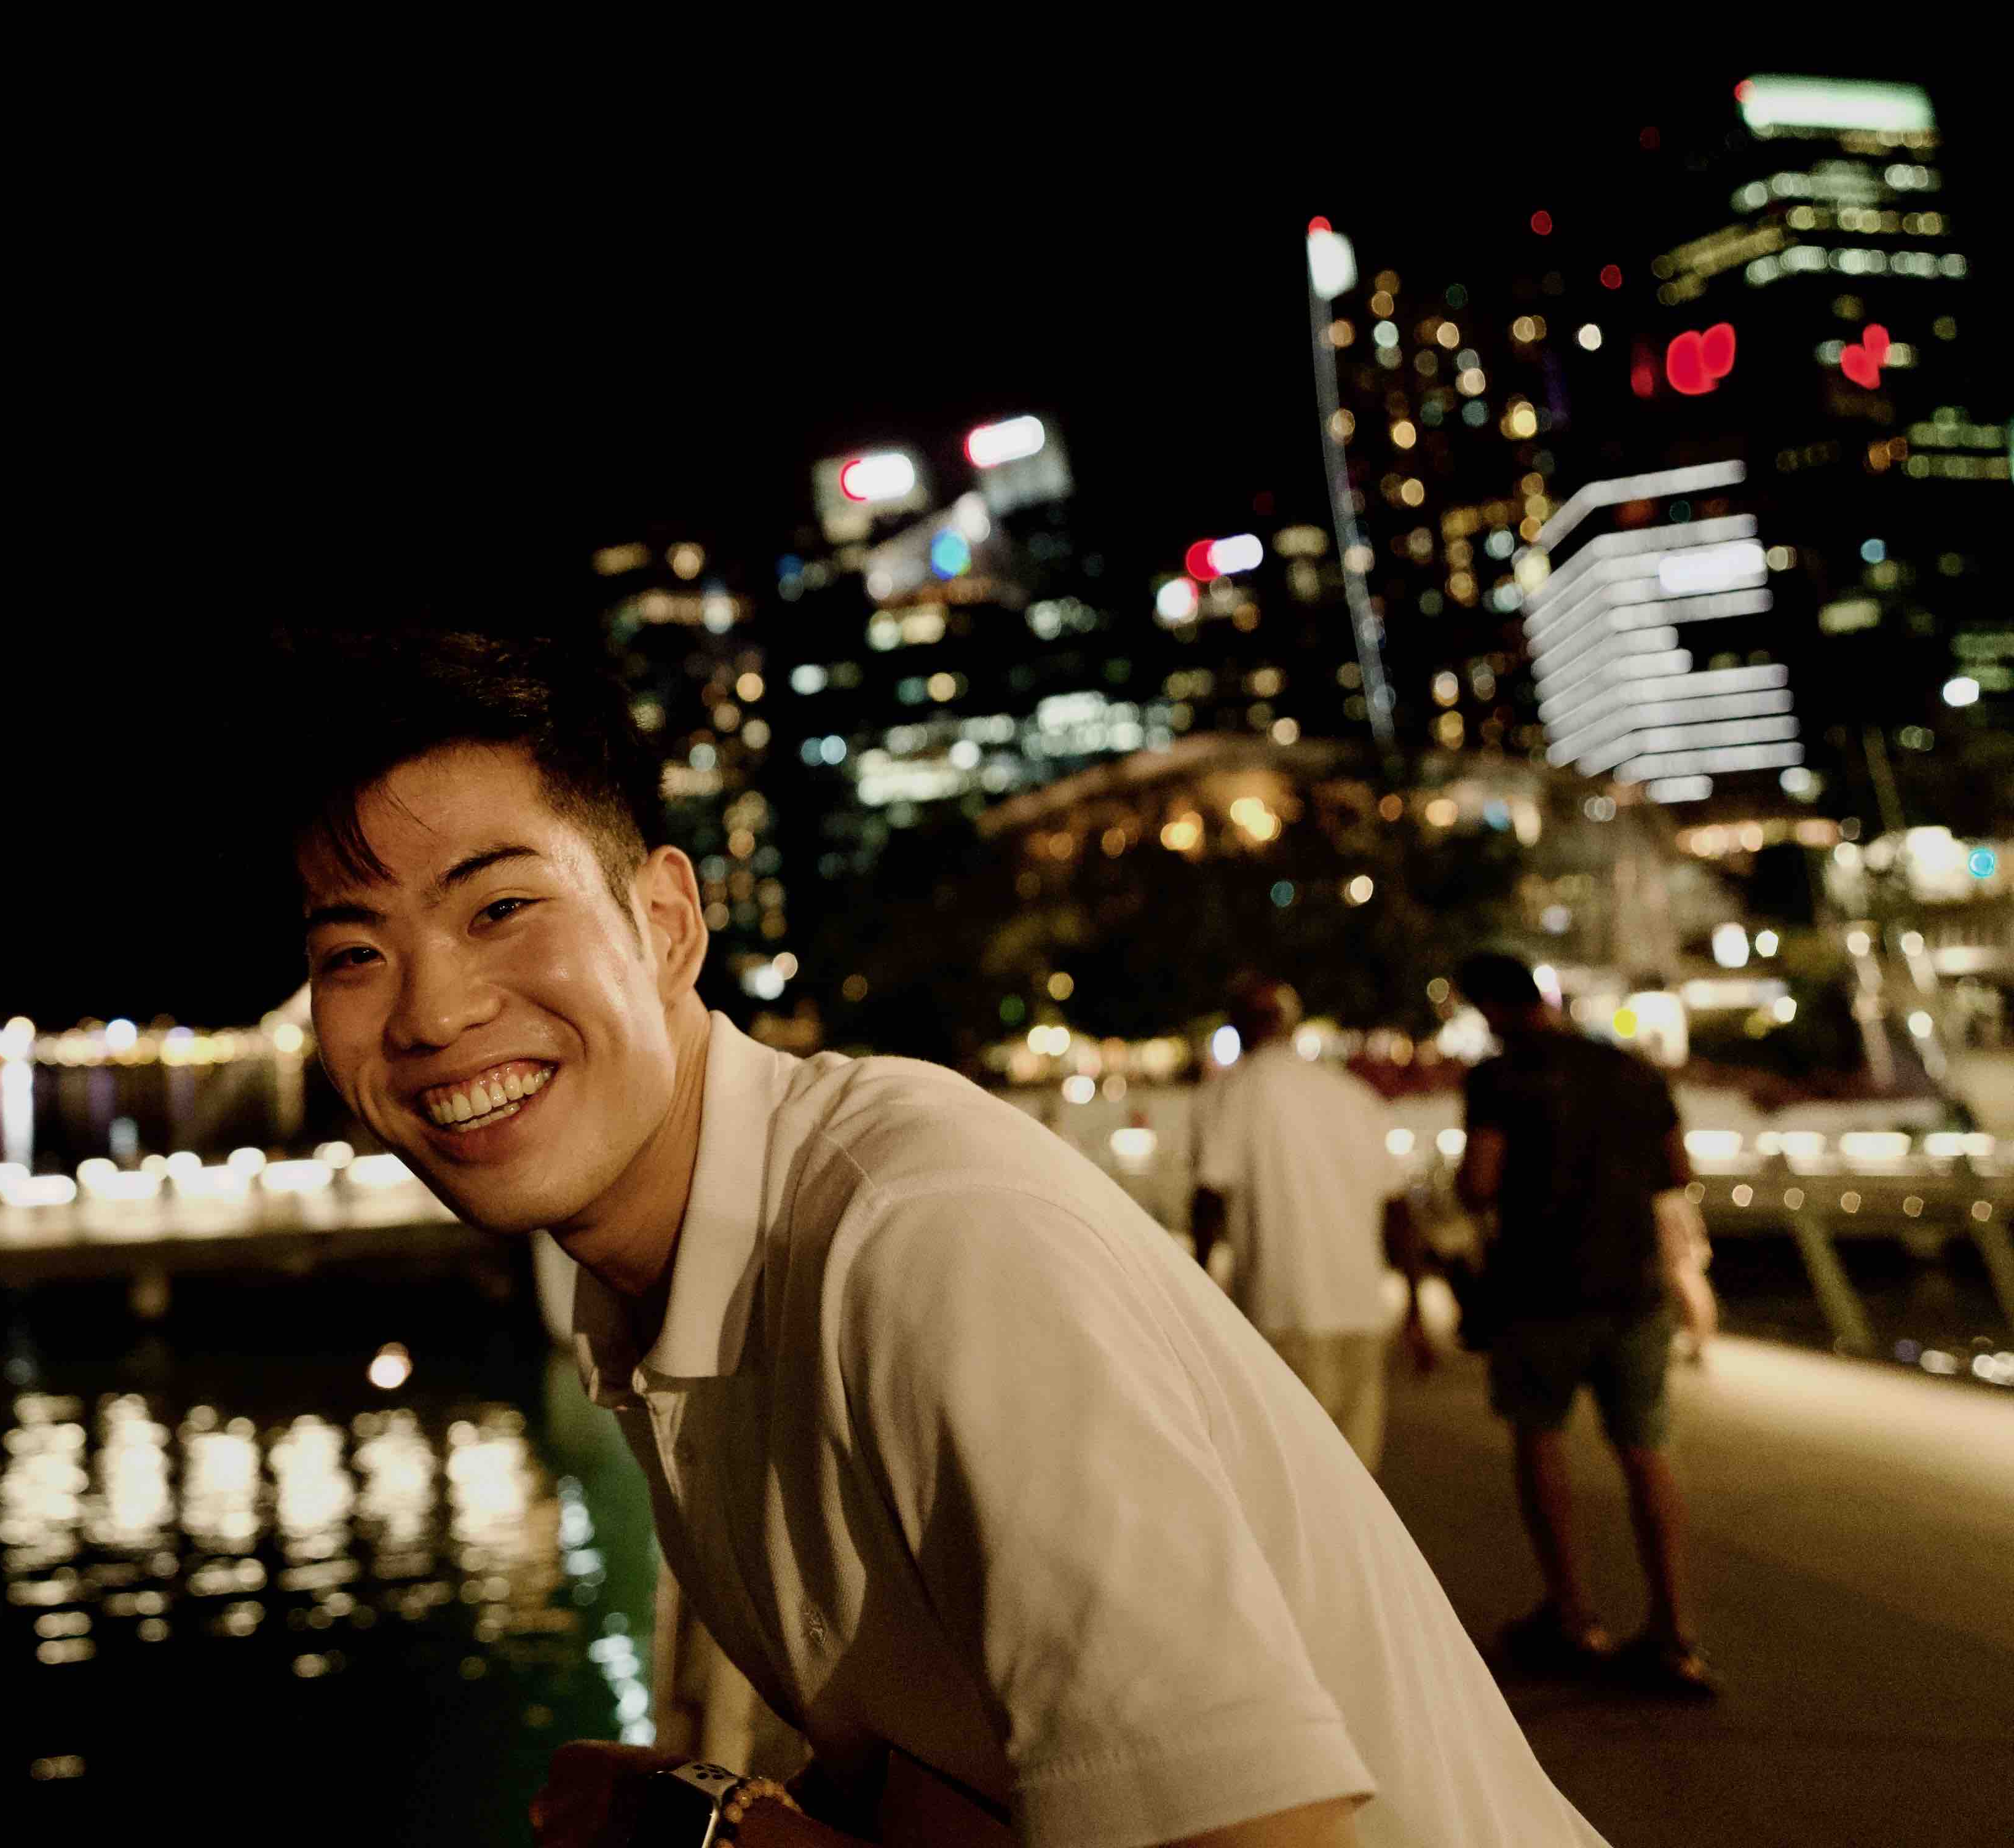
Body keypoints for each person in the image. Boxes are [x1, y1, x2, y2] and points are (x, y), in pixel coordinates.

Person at [279, 634, 1603, 1848]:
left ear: (668, 922)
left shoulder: (919, 1234)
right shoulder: (671, 1287)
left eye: (500, 905)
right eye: (354, 951)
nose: (432, 1011)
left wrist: (718, 1827)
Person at [1448, 949, 1715, 1699]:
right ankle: (1673, 1629)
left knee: (1541, 1442)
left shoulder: (1501, 1077)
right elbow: (1677, 1168)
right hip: (1633, 1287)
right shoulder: (1630, 1070)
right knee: (1647, 1454)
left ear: (1488, 1006)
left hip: (1542, 1290)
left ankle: (1574, 1614)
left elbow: (1480, 1182)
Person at [1185, 976, 1436, 1472]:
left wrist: (1196, 1293)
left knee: (1293, 1482)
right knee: (1356, 1484)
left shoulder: (1230, 1094)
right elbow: (1397, 1210)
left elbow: (1209, 1199)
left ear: (1236, 1023)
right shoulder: (1352, 1096)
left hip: (1280, 1312)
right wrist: (1413, 1310)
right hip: (1360, 1312)